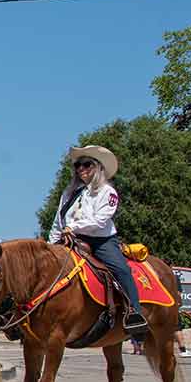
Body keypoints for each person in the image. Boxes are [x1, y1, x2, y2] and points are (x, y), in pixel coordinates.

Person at [46, 145, 148, 340]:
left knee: (121, 270)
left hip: (101, 240)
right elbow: (58, 221)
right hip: (70, 239)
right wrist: (51, 246)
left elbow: (100, 220)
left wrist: (73, 228)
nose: (81, 169)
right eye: (78, 165)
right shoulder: (69, 193)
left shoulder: (107, 192)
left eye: (87, 165)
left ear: (98, 167)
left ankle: (134, 313)